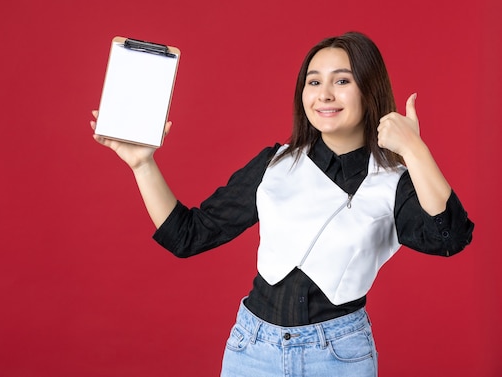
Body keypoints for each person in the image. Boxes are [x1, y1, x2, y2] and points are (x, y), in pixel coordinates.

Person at [90, 31, 474, 377]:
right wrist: (143, 164)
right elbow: (186, 236)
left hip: (340, 356)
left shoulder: (394, 182)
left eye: (341, 80)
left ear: (369, 90)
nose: (324, 94)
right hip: (252, 350)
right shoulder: (275, 164)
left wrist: (414, 150)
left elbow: (450, 237)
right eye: (314, 81)